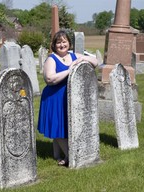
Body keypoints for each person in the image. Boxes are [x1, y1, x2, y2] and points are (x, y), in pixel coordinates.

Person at [37, 30, 98, 166]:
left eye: (64, 41)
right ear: (54, 45)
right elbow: (50, 78)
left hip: (68, 98)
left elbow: (95, 62)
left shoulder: (73, 55)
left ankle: (57, 155)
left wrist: (84, 58)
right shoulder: (51, 59)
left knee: (62, 126)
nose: (62, 44)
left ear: (69, 43)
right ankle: (71, 156)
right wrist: (69, 70)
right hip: (54, 98)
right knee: (57, 127)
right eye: (58, 42)